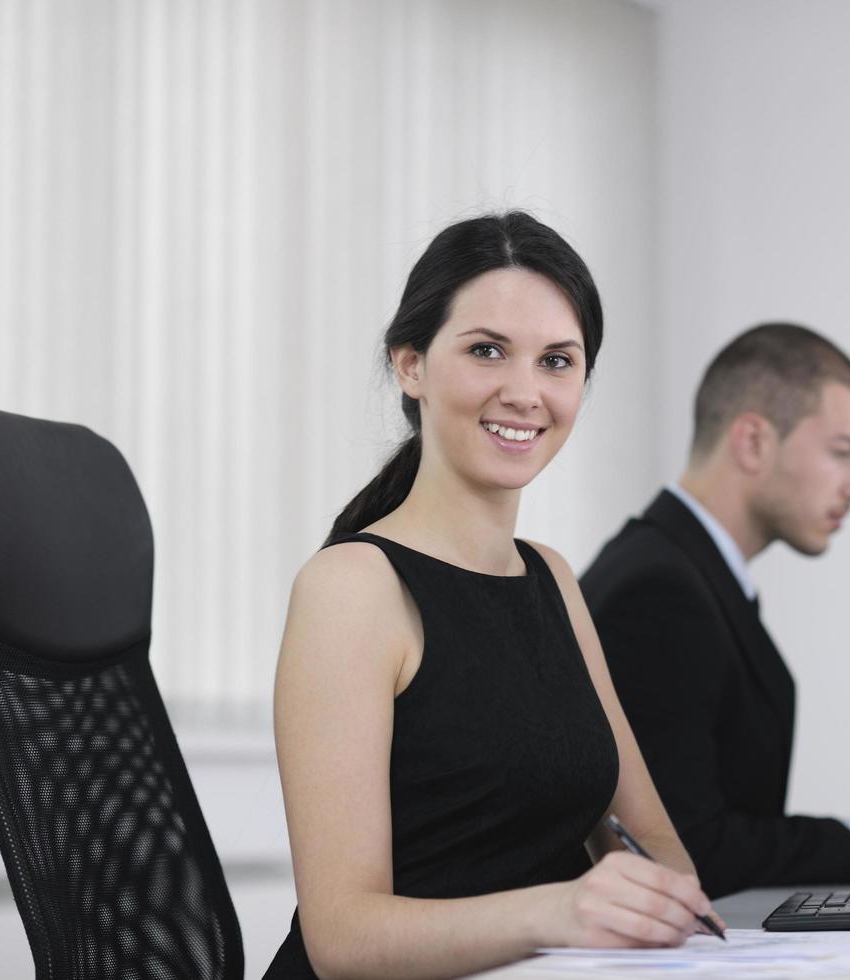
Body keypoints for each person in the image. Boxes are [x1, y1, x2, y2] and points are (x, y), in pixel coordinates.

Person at [265, 213, 716, 979]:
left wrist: (665, 909)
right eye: (486, 351)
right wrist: (559, 912)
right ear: (410, 366)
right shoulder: (352, 589)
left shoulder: (553, 580)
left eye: (557, 361)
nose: (525, 392)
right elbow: (340, 938)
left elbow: (655, 845)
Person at [580, 323, 850, 899]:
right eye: (844, 452)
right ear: (754, 441)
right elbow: (682, 854)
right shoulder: (660, 593)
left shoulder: (678, 567)